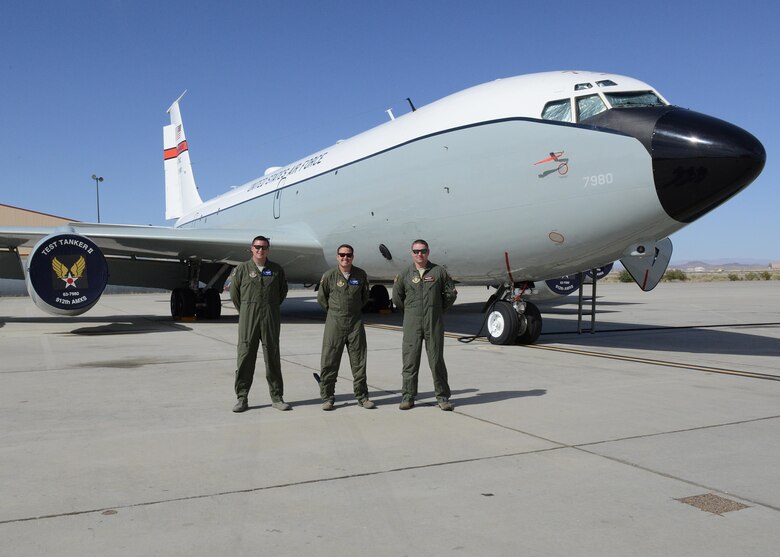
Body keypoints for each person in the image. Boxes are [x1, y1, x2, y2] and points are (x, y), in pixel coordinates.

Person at [392, 239, 457, 411]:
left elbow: (450, 294)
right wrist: (411, 311)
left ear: (428, 252)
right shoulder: (405, 274)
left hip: (433, 323)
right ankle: (407, 396)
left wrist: (437, 310)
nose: (419, 254)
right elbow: (398, 298)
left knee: (436, 360)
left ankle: (442, 398)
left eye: (423, 251)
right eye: (416, 251)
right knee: (410, 361)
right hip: (412, 323)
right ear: (411, 253)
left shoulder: (438, 272)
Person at [230, 235, 290, 413]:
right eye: (257, 247)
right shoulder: (242, 269)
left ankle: (277, 397)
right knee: (245, 357)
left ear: (268, 250)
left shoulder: (276, 270)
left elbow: (282, 293)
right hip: (248, 319)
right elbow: (235, 295)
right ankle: (242, 398)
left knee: (272, 357)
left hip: (270, 318)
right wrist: (248, 310)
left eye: (263, 247)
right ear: (251, 248)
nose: (260, 250)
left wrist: (268, 308)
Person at [317, 244, 375, 410]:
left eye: (348, 255)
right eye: (342, 255)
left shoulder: (360, 275)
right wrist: (336, 312)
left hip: (355, 322)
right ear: (337, 257)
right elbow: (322, 299)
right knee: (330, 361)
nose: (345, 258)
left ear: (352, 257)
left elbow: (365, 297)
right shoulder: (329, 276)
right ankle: (327, 397)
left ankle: (362, 397)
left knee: (359, 361)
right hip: (335, 322)